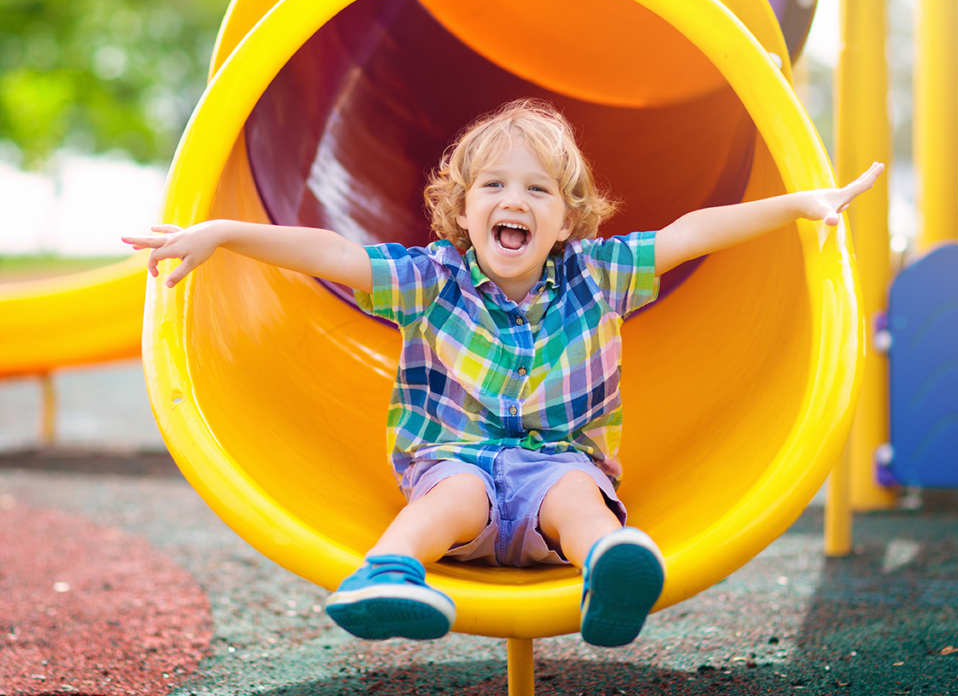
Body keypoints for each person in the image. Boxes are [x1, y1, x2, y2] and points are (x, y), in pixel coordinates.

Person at [124, 99, 881, 648]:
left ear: (568, 220)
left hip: (557, 466)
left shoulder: (599, 273)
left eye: (537, 190)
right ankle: (387, 574)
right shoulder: (431, 277)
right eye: (492, 186)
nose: (512, 201)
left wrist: (797, 204)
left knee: (578, 495)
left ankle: (611, 567)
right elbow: (333, 254)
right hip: (457, 467)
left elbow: (690, 234)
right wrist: (221, 233)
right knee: (453, 490)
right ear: (461, 209)